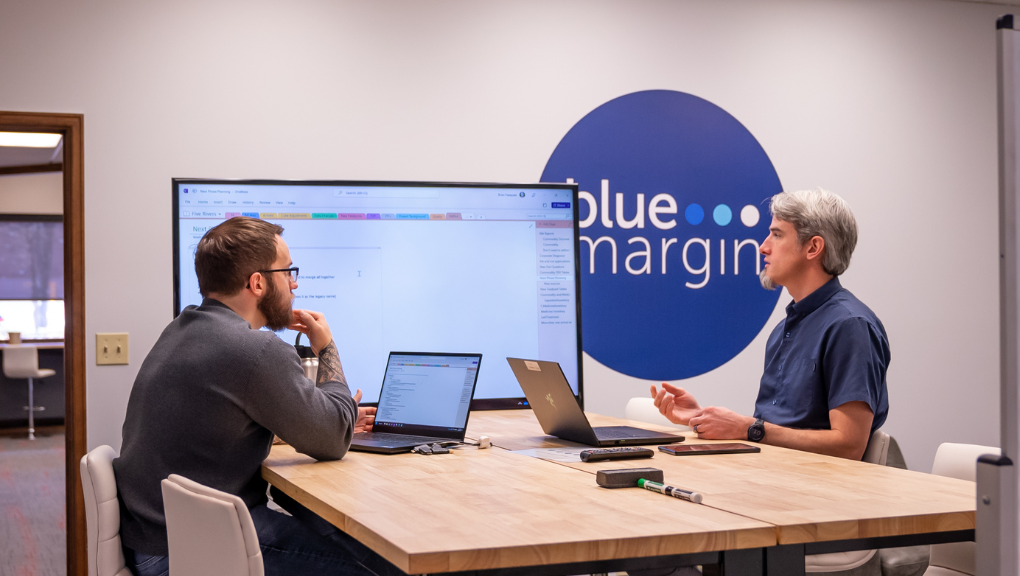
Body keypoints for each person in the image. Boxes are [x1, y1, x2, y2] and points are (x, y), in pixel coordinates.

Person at [113, 216, 381, 576]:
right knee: (378, 567)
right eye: (288, 272)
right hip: (189, 552)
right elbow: (333, 439)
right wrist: (326, 347)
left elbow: (217, 422)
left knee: (346, 543)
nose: (294, 284)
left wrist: (310, 418)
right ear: (258, 283)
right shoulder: (253, 350)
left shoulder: (182, 327)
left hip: (155, 538)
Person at [651, 189, 889, 461]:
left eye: (777, 234)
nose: (763, 246)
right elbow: (774, 429)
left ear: (813, 247)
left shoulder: (850, 326)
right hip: (772, 477)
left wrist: (748, 429)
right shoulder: (785, 328)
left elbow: (848, 444)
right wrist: (702, 418)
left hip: (818, 493)